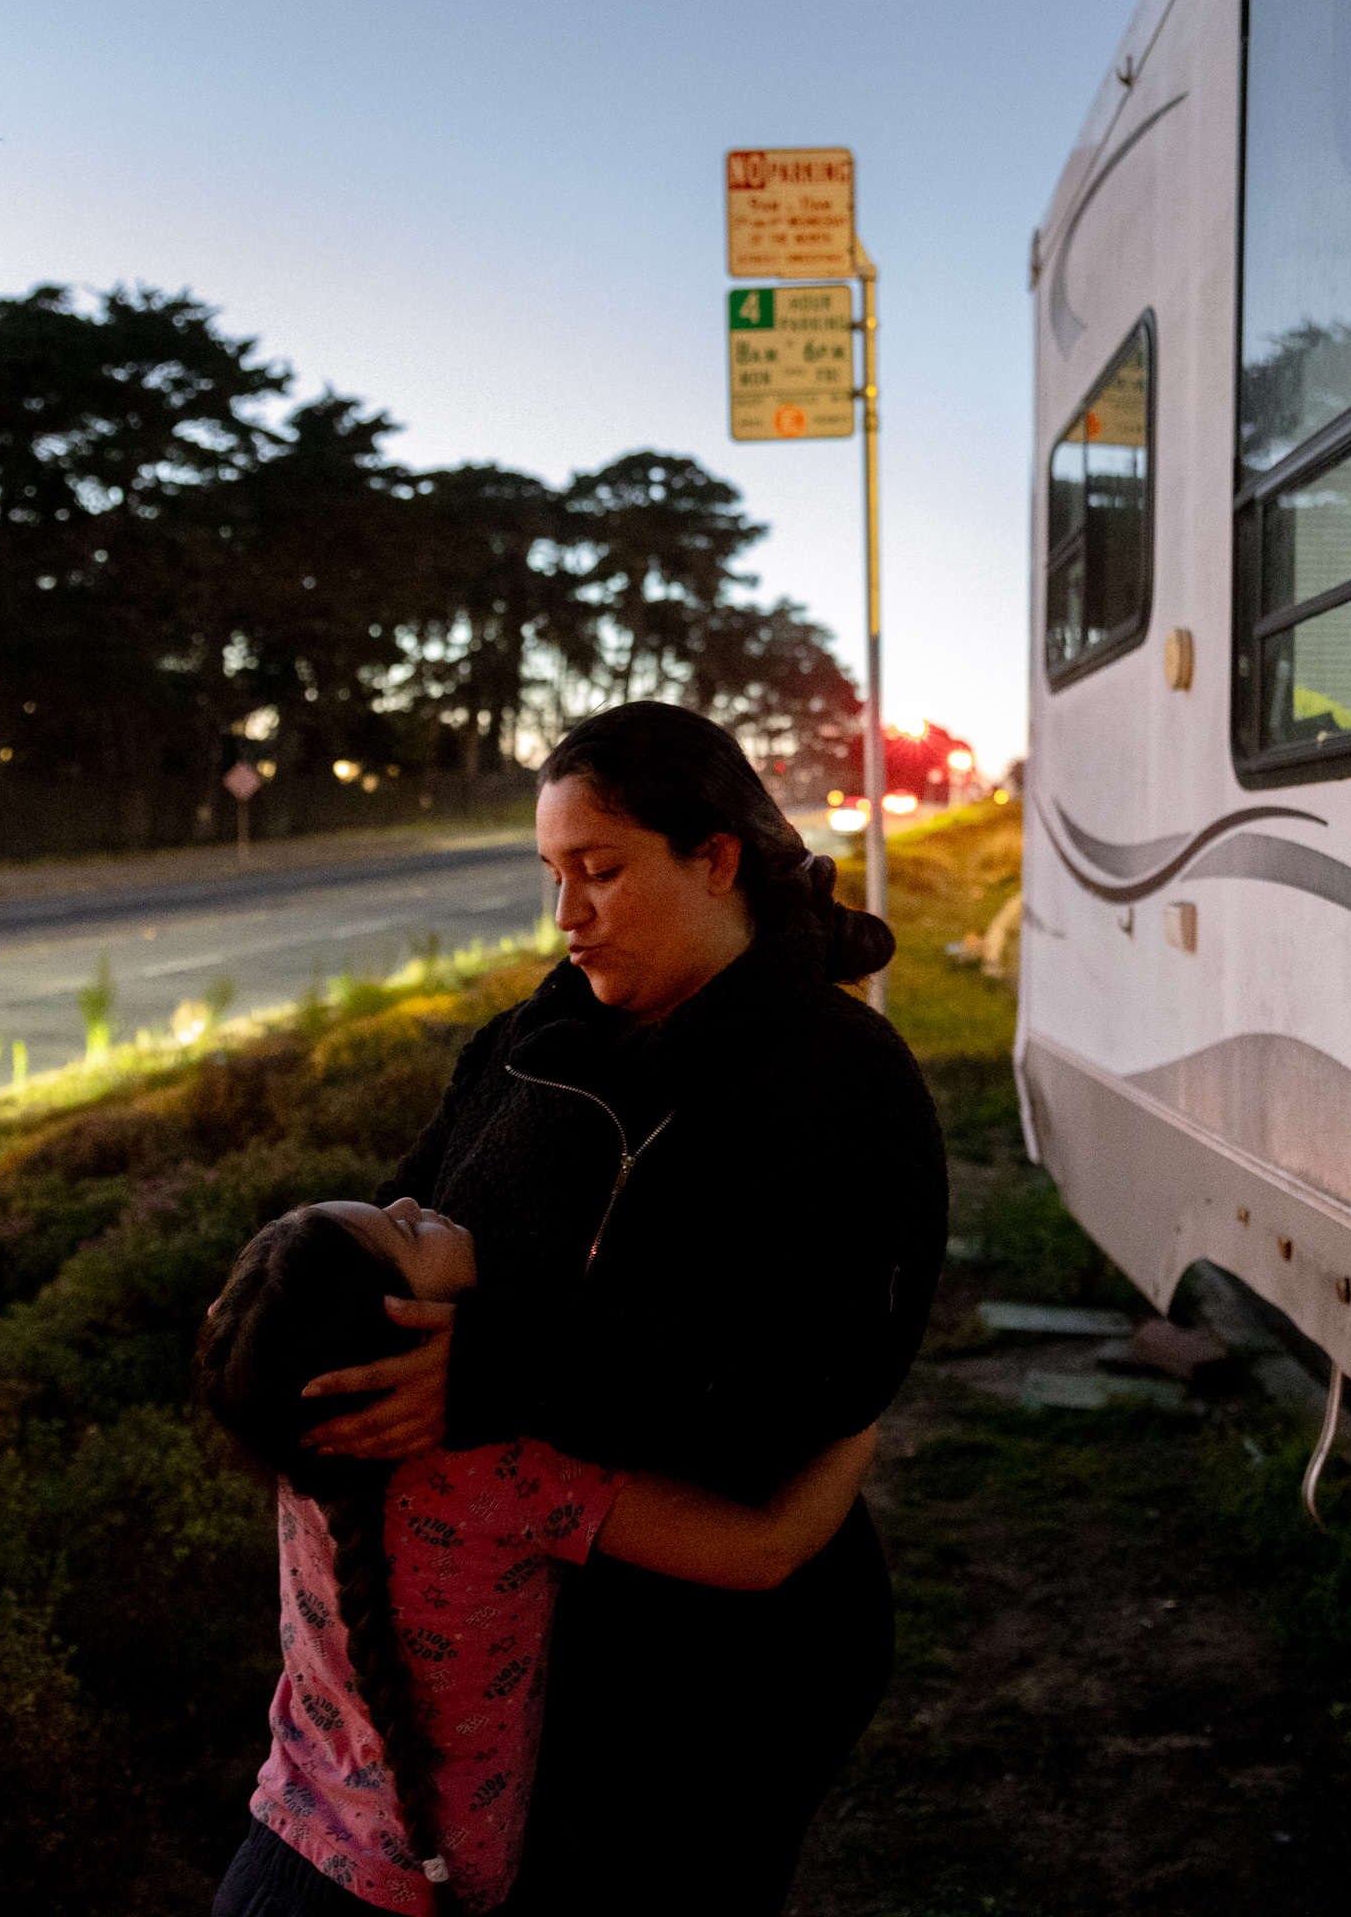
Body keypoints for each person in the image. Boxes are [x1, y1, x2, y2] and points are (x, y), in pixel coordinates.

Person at [298, 702, 949, 1914]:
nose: (566, 914)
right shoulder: (522, 1043)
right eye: (552, 874)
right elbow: (403, 1215)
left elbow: (825, 1368)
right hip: (511, 1636)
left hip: (723, 1662)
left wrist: (496, 1373)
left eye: (599, 871)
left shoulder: (840, 1075)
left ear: (716, 857)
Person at [199, 1195, 877, 1916]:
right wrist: (860, 1420)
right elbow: (764, 1548)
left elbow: (247, 1339)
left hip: (272, 1860)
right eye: (402, 1228)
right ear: (404, 1325)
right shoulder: (506, 1470)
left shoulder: (307, 1446)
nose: (408, 1198)